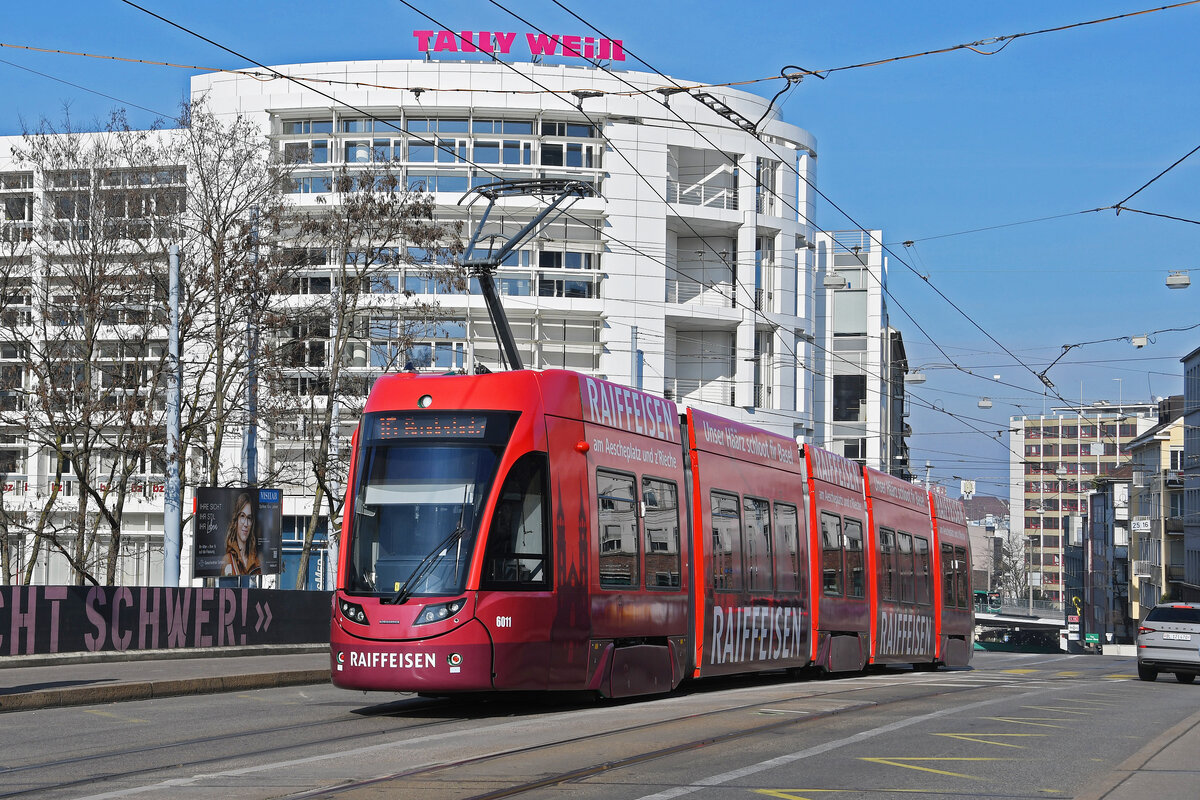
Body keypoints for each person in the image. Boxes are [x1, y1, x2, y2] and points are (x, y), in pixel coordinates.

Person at [222, 492, 261, 576]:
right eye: (242, 516)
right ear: (236, 520)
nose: (246, 524)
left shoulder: (256, 560)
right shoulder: (228, 559)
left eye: (249, 518)